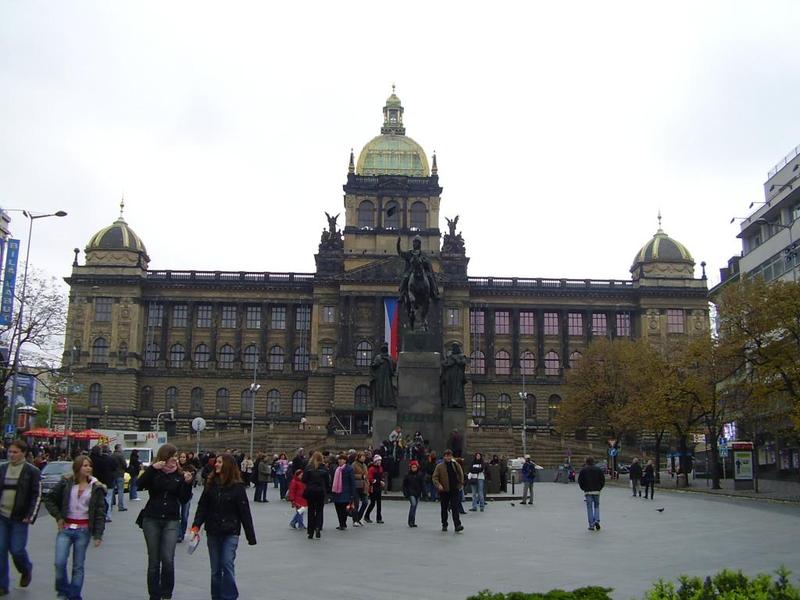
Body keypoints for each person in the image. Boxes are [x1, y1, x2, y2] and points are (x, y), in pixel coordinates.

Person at [190, 453, 256, 600]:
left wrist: (250, 536)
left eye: (219, 462)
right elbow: (202, 507)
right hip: (213, 530)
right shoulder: (210, 483)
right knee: (215, 569)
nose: (216, 464)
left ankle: (230, 596)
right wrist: (196, 526)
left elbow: (244, 511)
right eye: (216, 462)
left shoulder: (238, 487)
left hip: (230, 531)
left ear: (227, 465)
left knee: (226, 563)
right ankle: (216, 596)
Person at [43, 455, 106, 600]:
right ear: (77, 468)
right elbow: (49, 498)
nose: (88, 468)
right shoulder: (66, 482)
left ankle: (74, 595)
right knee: (59, 562)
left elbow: (100, 513)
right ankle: (63, 590)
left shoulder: (96, 487)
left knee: (78, 566)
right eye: (85, 465)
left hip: (83, 529)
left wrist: (98, 535)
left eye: (90, 465)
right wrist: (58, 517)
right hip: (66, 528)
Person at [137, 443, 194, 600]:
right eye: (173, 456)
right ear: (164, 457)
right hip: (152, 518)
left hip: (171, 519)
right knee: (154, 560)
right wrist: (152, 468)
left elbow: (184, 499)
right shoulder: (154, 472)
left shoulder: (179, 475)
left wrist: (188, 484)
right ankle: (154, 595)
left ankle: (166, 594)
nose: (175, 459)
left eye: (176, 456)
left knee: (168, 559)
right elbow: (139, 485)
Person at [0, 440, 41, 595]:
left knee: (17, 550)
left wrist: (31, 515)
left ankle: (26, 569)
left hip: (20, 518)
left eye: (15, 452)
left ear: (23, 453)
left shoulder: (32, 471)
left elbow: (37, 495)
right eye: (10, 452)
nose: (11, 455)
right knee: (1, 549)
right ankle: (2, 585)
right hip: (2, 516)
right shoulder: (3, 468)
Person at [432, 450, 464, 533]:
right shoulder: (439, 466)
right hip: (444, 491)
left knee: (455, 507)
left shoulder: (455, 464)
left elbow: (460, 473)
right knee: (444, 508)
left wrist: (460, 483)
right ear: (444, 457)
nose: (448, 457)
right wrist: (438, 485)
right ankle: (444, 524)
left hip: (454, 489)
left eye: (449, 456)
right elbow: (435, 477)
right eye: (446, 456)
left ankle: (457, 525)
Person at [301, 452, 330, 540]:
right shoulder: (324, 468)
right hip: (320, 491)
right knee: (319, 510)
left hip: (310, 491)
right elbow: (327, 481)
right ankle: (318, 526)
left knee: (311, 511)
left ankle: (310, 531)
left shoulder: (308, 468)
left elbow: (304, 479)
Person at [577, 456, 605, 531]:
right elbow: (602, 480)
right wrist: (599, 488)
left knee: (589, 508)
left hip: (588, 491)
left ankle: (591, 525)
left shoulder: (583, 470)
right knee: (596, 506)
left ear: (586, 462)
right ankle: (597, 520)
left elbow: (580, 481)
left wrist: (583, 488)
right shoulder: (598, 469)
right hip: (596, 491)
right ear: (593, 462)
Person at [88, 446, 114, 523]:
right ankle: (106, 515)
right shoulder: (102, 460)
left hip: (90, 482)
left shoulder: (89, 459)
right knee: (106, 499)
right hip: (102, 482)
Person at [331, 454, 356, 530]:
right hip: (336, 492)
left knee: (343, 509)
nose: (340, 461)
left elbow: (352, 481)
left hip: (345, 491)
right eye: (339, 459)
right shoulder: (336, 469)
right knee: (338, 508)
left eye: (342, 459)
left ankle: (343, 523)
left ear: (345, 461)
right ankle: (341, 523)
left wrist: (353, 493)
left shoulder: (349, 469)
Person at [369, 343, 397, 408]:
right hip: (379, 377)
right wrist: (378, 363)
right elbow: (373, 365)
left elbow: (393, 367)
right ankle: (380, 403)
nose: (384, 349)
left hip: (387, 378)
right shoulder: (378, 357)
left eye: (385, 348)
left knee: (387, 390)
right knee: (380, 391)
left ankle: (387, 403)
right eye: (383, 348)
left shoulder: (389, 357)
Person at [177, 452, 197, 540]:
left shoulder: (191, 468)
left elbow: (192, 481)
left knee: (184, 516)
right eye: (181, 457)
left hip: (186, 495)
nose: (182, 458)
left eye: (184, 457)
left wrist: (189, 477)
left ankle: (182, 532)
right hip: (176, 495)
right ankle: (179, 534)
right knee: (177, 515)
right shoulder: (175, 468)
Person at [402, 460, 425, 527]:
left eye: (415, 467)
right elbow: (404, 485)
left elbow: (422, 485)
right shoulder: (407, 475)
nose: (414, 468)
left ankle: (412, 521)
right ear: (410, 467)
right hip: (411, 493)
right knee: (413, 505)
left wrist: (424, 493)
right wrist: (405, 493)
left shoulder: (420, 475)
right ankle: (410, 521)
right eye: (413, 467)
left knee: (414, 507)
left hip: (417, 493)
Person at [363, 455, 385, 524]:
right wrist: (379, 482)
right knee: (372, 503)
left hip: (378, 487)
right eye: (378, 460)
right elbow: (370, 479)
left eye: (380, 460)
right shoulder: (371, 469)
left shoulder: (380, 468)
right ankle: (366, 516)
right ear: (375, 461)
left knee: (379, 503)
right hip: (373, 488)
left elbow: (381, 477)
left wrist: (382, 481)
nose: (380, 462)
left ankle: (379, 518)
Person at [351, 451, 368, 526]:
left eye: (364, 456)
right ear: (358, 457)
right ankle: (355, 520)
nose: (363, 458)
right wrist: (360, 476)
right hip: (356, 486)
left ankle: (359, 518)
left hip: (364, 486)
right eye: (362, 456)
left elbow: (366, 475)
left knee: (365, 502)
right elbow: (352, 475)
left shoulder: (364, 465)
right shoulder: (354, 465)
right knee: (356, 504)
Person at [110, 444, 127, 513]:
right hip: (120, 474)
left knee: (112, 490)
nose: (122, 449)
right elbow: (124, 464)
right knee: (120, 490)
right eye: (121, 448)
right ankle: (120, 506)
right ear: (118, 448)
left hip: (112, 474)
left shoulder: (111, 455)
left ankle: (111, 505)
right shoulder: (121, 455)